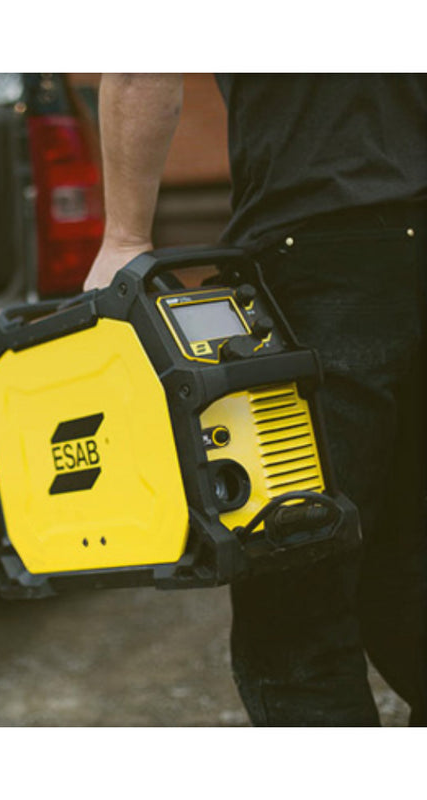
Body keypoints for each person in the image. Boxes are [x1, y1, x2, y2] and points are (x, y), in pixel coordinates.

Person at [84, 73, 427, 726]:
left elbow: (140, 67)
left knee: (297, 623)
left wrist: (126, 237)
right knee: (407, 579)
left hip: (321, 259)